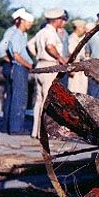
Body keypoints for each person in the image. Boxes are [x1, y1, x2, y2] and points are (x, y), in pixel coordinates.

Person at [28, 8, 68, 138]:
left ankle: (36, 130)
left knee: (39, 100)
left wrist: (38, 56)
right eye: (61, 19)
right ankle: (43, 132)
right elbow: (50, 47)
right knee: (47, 100)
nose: (62, 21)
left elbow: (29, 45)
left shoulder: (41, 32)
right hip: (49, 66)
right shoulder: (51, 33)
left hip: (40, 65)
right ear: (56, 20)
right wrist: (59, 58)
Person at [4, 9, 36, 134]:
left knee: (21, 97)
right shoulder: (17, 35)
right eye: (28, 22)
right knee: (19, 97)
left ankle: (17, 126)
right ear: (22, 21)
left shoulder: (23, 35)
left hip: (22, 68)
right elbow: (16, 56)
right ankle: (16, 128)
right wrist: (29, 66)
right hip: (19, 68)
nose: (30, 25)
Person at [67, 19, 90, 95]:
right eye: (83, 28)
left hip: (81, 67)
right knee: (73, 90)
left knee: (82, 91)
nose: (84, 30)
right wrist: (71, 69)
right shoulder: (71, 39)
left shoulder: (80, 39)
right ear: (78, 28)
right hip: (74, 67)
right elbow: (71, 55)